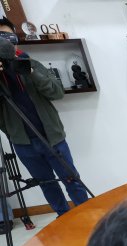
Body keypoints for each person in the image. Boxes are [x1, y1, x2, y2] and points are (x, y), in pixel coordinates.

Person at [0, 17, 89, 217]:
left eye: (8, 36)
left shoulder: (32, 63)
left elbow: (57, 92)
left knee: (71, 179)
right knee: (47, 184)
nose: (4, 42)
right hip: (23, 143)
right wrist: (12, 132)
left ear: (15, 38)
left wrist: (30, 71)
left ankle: (86, 216)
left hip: (53, 137)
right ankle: (63, 218)